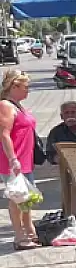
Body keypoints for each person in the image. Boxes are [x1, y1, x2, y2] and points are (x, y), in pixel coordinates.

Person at [0, 70, 38, 250]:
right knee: (17, 198)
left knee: (26, 198)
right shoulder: (5, 105)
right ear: (14, 86)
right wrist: (13, 159)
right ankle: (19, 235)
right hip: (14, 160)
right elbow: (4, 134)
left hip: (25, 159)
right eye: (26, 87)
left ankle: (29, 230)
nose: (28, 90)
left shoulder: (18, 106)